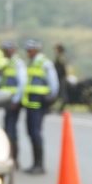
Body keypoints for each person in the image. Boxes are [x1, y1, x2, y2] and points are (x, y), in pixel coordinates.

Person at [17, 39, 59, 174]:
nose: (28, 53)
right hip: (31, 102)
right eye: (27, 50)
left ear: (36, 50)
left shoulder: (44, 63)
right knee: (31, 132)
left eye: (30, 50)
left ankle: (39, 165)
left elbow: (54, 83)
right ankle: (35, 163)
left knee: (36, 132)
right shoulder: (32, 63)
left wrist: (51, 98)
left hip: (39, 102)